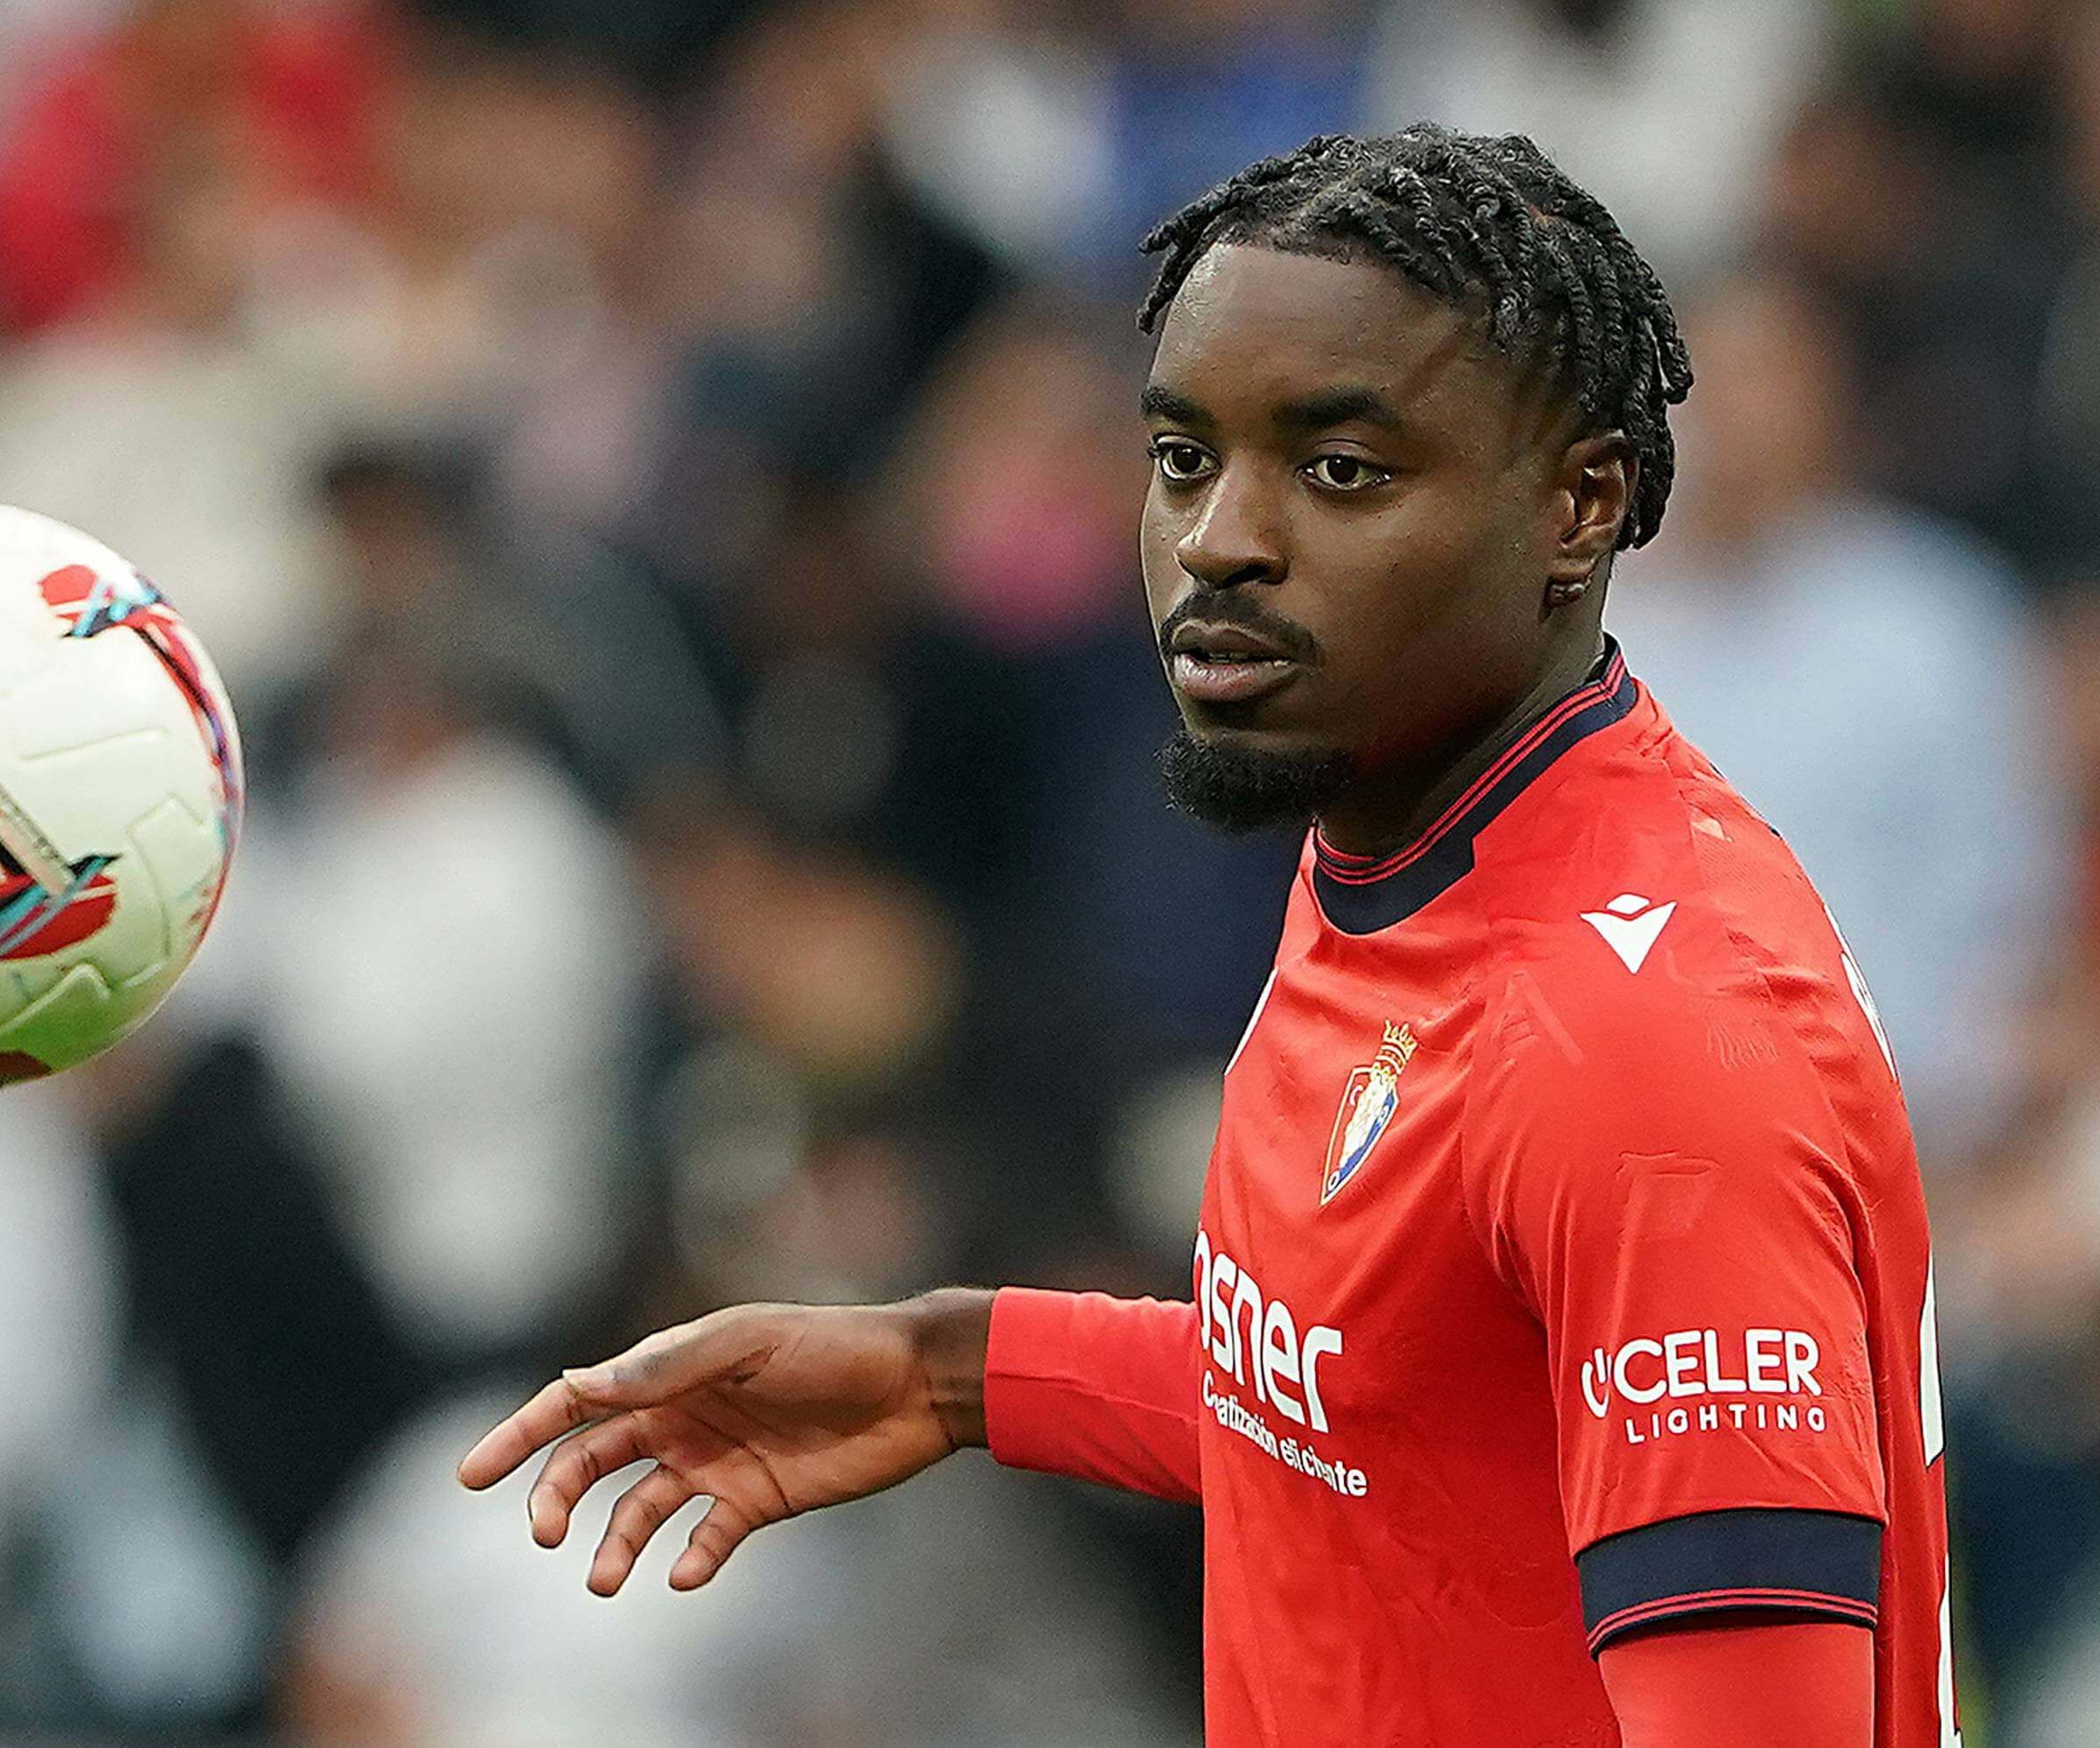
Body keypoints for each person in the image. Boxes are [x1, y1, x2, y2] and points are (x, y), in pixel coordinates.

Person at [459, 126, 1957, 1748]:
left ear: (1579, 505)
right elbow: (1392, 1403)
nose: (1220, 542)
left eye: (1343, 471)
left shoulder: (1642, 1048)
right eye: (1183, 456)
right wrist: (951, 1371)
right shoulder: (1414, 830)